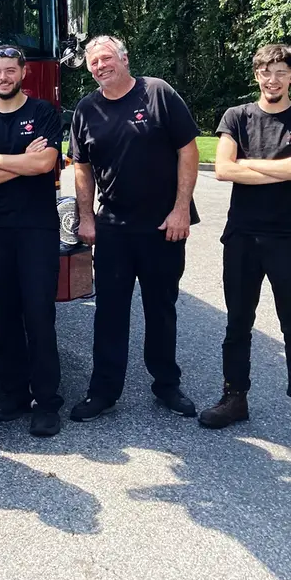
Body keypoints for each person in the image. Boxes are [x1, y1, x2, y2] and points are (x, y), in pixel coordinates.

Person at [206, 44, 291, 449]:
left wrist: (250, 166)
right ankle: (234, 397)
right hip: (242, 236)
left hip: (287, 238)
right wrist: (281, 168)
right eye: (265, 71)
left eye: (280, 72)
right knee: (237, 322)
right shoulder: (237, 117)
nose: (272, 79)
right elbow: (223, 169)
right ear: (256, 74)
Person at [70, 35, 200, 422]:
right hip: (113, 227)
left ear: (124, 59)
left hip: (163, 226)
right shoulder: (86, 109)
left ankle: (167, 385)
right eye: (93, 63)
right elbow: (81, 167)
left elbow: (188, 149)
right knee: (109, 311)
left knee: (161, 308)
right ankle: (103, 391)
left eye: (106, 58)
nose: (100, 67)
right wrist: (87, 216)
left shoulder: (157, 92)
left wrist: (181, 210)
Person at [0, 45, 66, 437]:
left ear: (22, 72)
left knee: (39, 315)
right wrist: (16, 162)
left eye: (9, 70)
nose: (2, 77)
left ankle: (47, 402)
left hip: (37, 228)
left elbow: (44, 163)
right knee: (3, 313)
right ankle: (13, 395)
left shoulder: (42, 113)